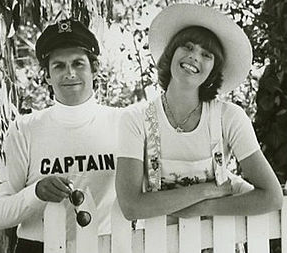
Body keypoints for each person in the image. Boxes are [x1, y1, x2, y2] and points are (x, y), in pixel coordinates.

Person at [116, 2, 283, 241]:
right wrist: (208, 190)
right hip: (159, 243)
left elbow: (272, 196)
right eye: (187, 46)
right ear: (171, 53)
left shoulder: (229, 117)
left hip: (218, 241)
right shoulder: (135, 118)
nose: (194, 57)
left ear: (214, 71)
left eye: (207, 55)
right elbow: (131, 206)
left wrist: (202, 207)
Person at [0, 19, 120, 253]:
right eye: (59, 66)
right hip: (38, 246)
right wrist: (36, 192)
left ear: (95, 69)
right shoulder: (24, 129)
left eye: (78, 63)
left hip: (106, 246)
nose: (70, 73)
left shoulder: (122, 123)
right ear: (47, 76)